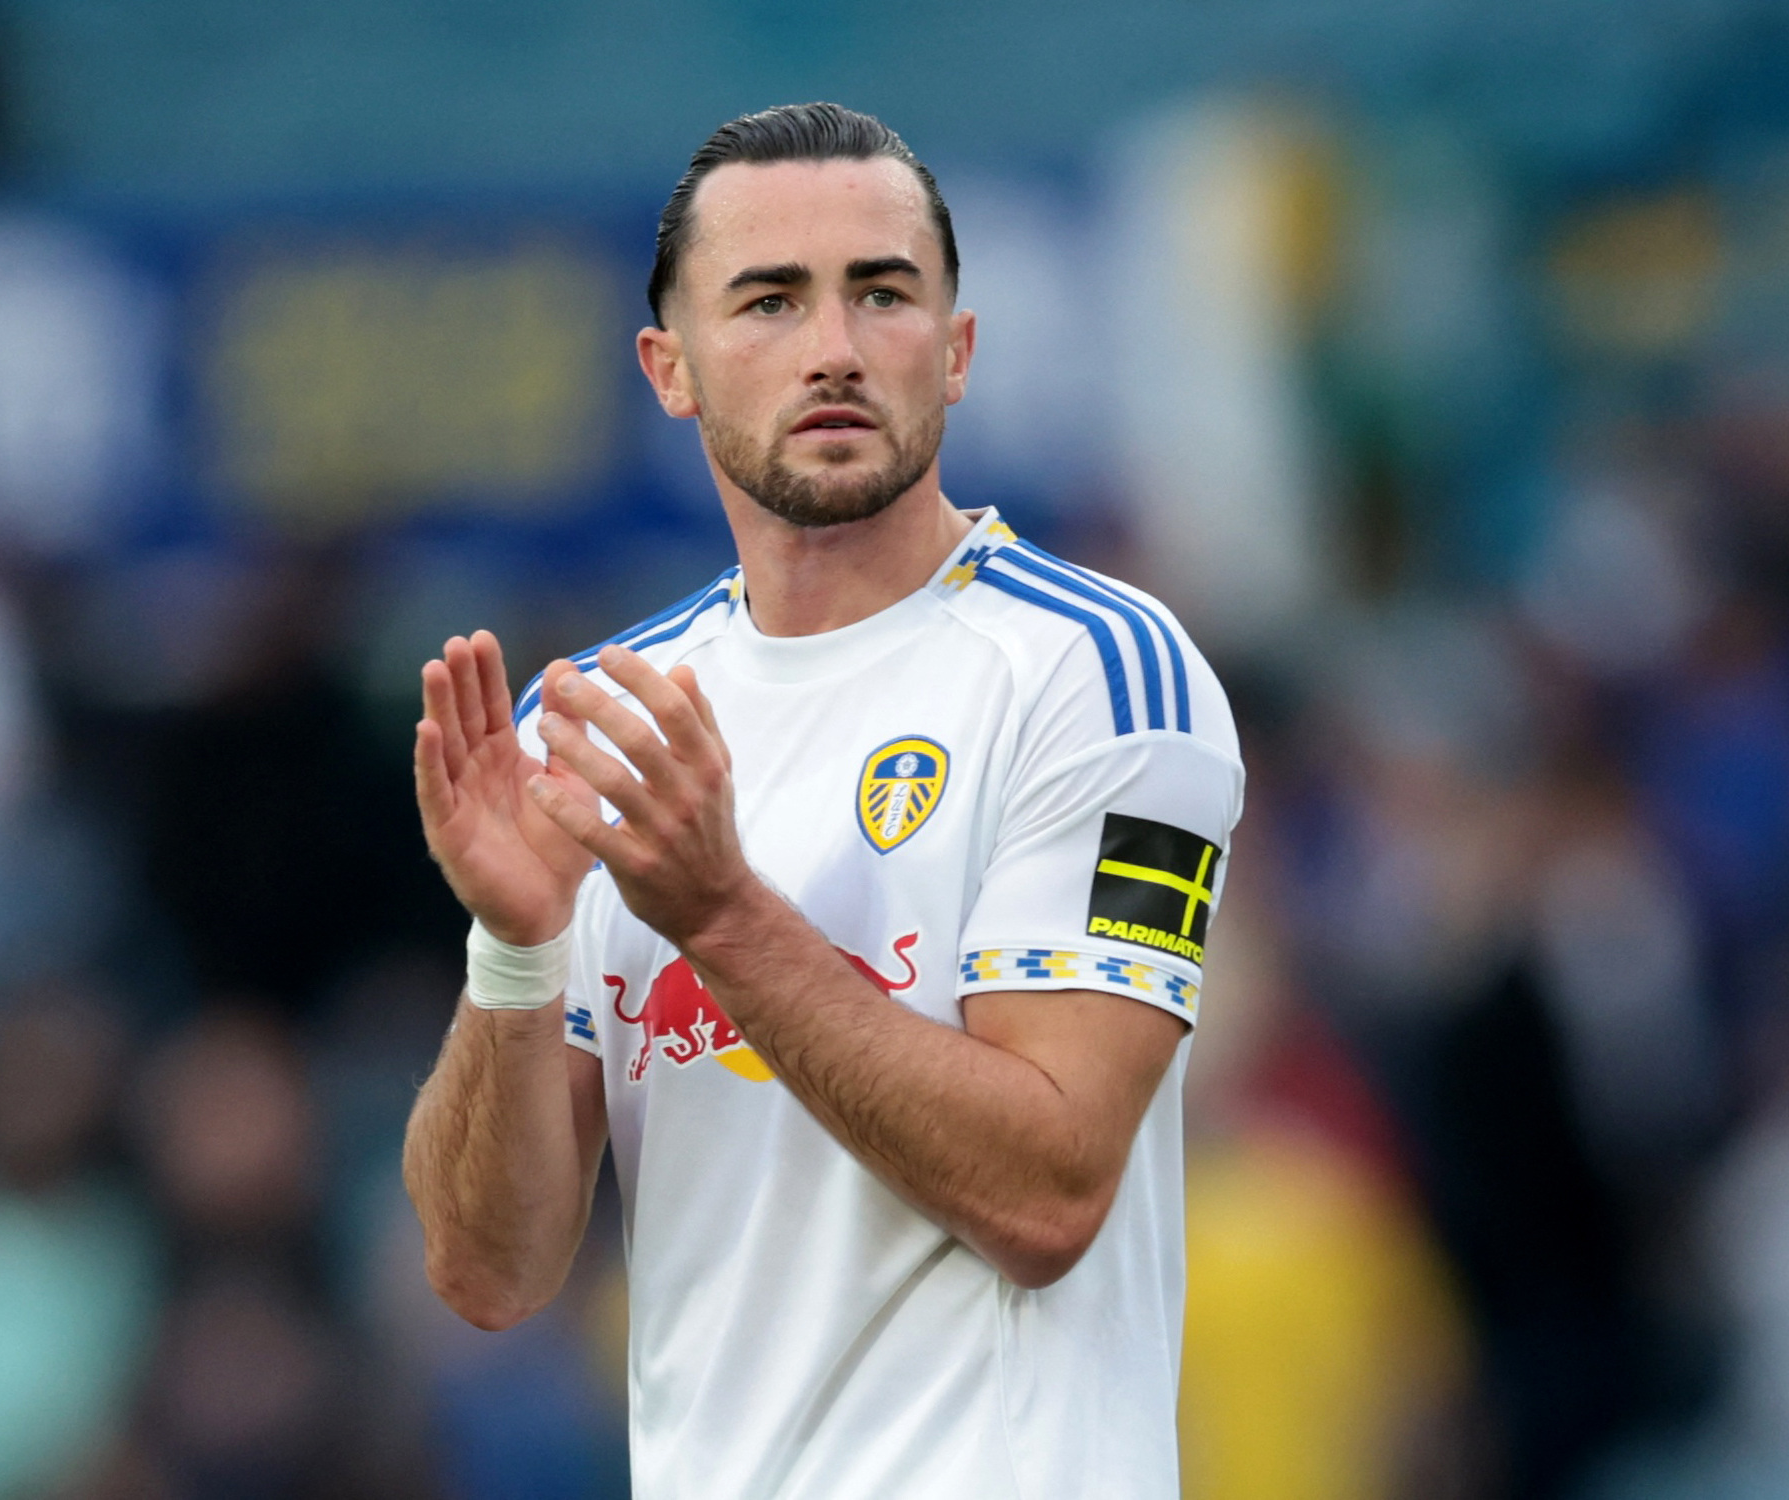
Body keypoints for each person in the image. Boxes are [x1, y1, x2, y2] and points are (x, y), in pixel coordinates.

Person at [402, 102, 1244, 1499]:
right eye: (771, 301)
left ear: (957, 351)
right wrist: (517, 947)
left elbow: (1048, 1196)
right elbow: (490, 1277)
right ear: (671, 370)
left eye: (884, 294)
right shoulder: (602, 727)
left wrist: (722, 914)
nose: (835, 347)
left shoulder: (1099, 672)